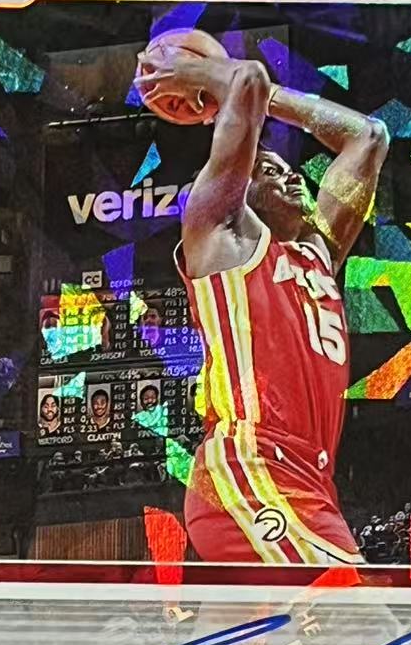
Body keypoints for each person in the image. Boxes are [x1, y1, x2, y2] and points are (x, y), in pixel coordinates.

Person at [136, 41, 389, 564]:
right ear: (240, 194)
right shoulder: (221, 236)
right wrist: (203, 75)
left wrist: (261, 96)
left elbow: (367, 136)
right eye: (271, 171)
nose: (294, 176)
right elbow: (248, 76)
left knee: (339, 617)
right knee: (360, 610)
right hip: (248, 466)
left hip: (309, 479)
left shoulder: (317, 254)